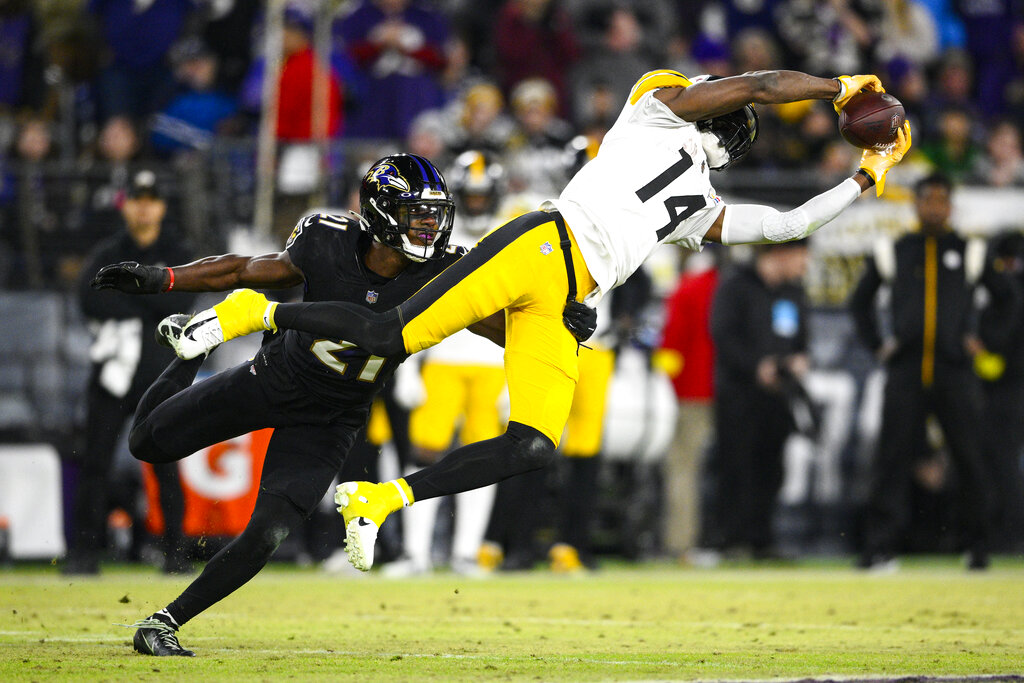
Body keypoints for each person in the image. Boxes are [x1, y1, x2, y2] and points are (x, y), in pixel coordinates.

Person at [169, 68, 913, 574]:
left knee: (532, 444)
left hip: (562, 299)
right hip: (538, 244)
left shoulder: (695, 198)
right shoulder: (658, 117)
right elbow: (786, 201)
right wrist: (858, 148)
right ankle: (253, 311)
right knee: (390, 331)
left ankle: (380, 498)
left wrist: (857, 144)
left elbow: (779, 204)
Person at [91, 154, 598, 655]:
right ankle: (189, 351)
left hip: (334, 417)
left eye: (434, 213)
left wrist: (555, 321)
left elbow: (510, 330)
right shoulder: (326, 239)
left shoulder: (447, 270)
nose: (429, 225)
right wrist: (165, 280)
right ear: (379, 213)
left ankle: (166, 621)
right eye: (415, 213)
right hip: (274, 378)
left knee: (267, 532)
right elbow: (244, 269)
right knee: (146, 444)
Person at [849, 172, 1020, 571]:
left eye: (942, 200)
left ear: (951, 206)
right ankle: (880, 547)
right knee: (890, 458)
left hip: (954, 370)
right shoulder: (895, 249)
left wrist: (986, 340)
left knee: (969, 457)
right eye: (928, 199)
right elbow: (860, 303)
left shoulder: (970, 251)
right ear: (916, 203)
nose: (935, 207)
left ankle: (977, 545)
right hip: (906, 369)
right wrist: (878, 345)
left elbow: (1007, 300)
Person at [66, 170, 196, 576]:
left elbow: (187, 299)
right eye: (137, 199)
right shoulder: (108, 251)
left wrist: (128, 296)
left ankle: (176, 551)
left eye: (151, 199)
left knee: (167, 464)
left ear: (161, 206)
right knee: (95, 462)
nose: (143, 206)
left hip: (159, 379)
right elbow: (88, 301)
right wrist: (150, 300)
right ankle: (83, 554)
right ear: (127, 206)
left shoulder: (176, 249)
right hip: (113, 377)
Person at [707, 240, 811, 559]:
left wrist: (797, 361)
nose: (804, 266)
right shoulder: (736, 286)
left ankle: (761, 539)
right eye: (800, 258)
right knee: (735, 466)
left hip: (778, 396)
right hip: (739, 393)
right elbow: (722, 334)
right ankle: (727, 539)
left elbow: (802, 338)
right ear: (781, 253)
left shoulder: (793, 293)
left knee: (771, 468)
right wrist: (756, 366)